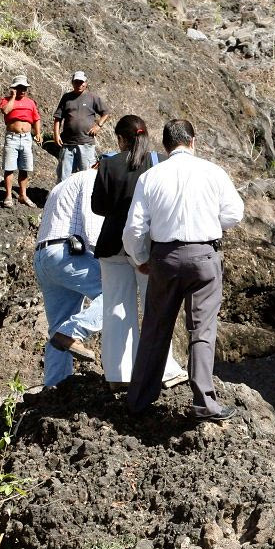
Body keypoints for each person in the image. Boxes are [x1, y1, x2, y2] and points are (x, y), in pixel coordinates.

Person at [123, 119, 244, 421]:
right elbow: (234, 212)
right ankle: (204, 401)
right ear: (193, 141)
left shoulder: (151, 177)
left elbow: (134, 227)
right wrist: (211, 227)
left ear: (165, 146)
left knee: (155, 327)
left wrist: (140, 258)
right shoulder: (213, 172)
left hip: (164, 257)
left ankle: (139, 400)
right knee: (202, 329)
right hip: (204, 255)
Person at [91, 115, 187, 390]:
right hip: (148, 246)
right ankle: (165, 371)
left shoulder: (108, 163)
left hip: (112, 245)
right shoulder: (158, 162)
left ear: (121, 139)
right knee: (155, 309)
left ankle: (119, 376)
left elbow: (98, 206)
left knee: (115, 308)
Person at [34, 167, 104, 387]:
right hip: (67, 254)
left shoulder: (61, 185)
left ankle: (54, 387)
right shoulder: (92, 179)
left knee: (58, 327)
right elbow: (92, 229)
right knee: (117, 293)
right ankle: (74, 331)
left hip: (44, 256)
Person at [53, 71, 110, 183]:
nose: (79, 84)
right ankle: (61, 199)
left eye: (81, 82)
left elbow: (106, 113)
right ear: (72, 83)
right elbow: (58, 118)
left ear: (86, 83)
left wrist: (98, 125)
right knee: (63, 177)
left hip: (86, 143)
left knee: (87, 176)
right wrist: (56, 134)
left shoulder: (92, 97)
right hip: (68, 144)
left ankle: (86, 199)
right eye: (76, 82)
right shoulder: (66, 97)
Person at [0, 74, 42, 208]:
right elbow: (6, 111)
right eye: (20, 88)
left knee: (25, 168)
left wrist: (38, 133)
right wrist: (12, 97)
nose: (23, 90)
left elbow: (36, 119)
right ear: (14, 88)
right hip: (12, 137)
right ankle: (8, 196)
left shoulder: (30, 102)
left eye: (25, 88)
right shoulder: (6, 100)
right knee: (9, 168)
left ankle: (23, 195)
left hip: (26, 138)